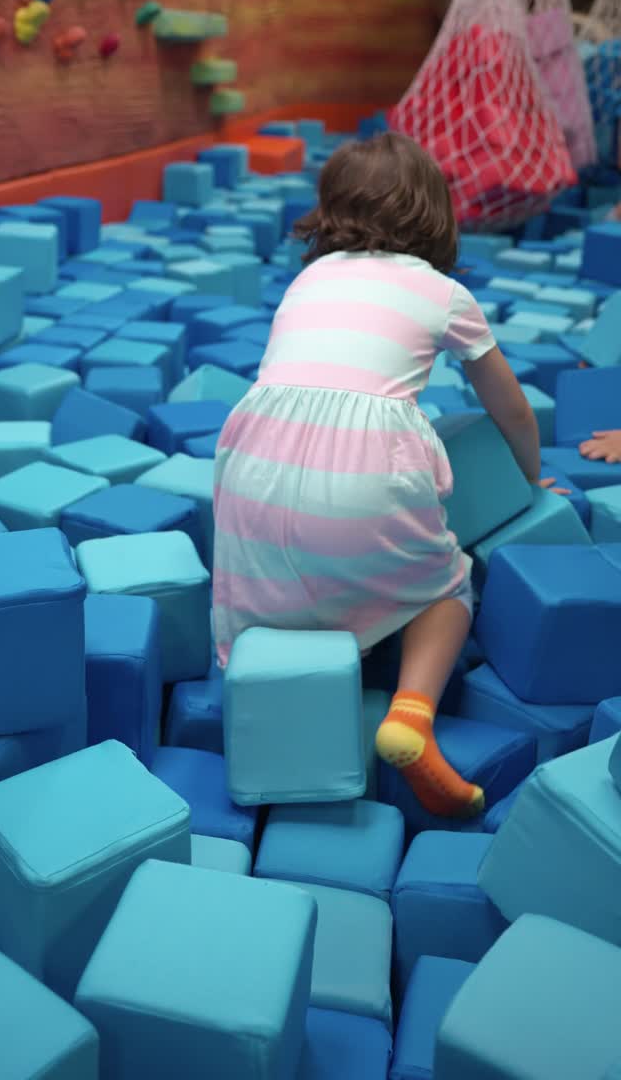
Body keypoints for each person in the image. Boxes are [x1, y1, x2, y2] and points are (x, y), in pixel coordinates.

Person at [213, 134, 549, 820]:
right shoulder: (443, 292)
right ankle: (412, 715)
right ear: (435, 218)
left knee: (288, 566)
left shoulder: (309, 279)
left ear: (331, 210)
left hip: (250, 470)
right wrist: (530, 481)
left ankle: (287, 652)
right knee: (449, 586)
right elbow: (509, 407)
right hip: (366, 481)